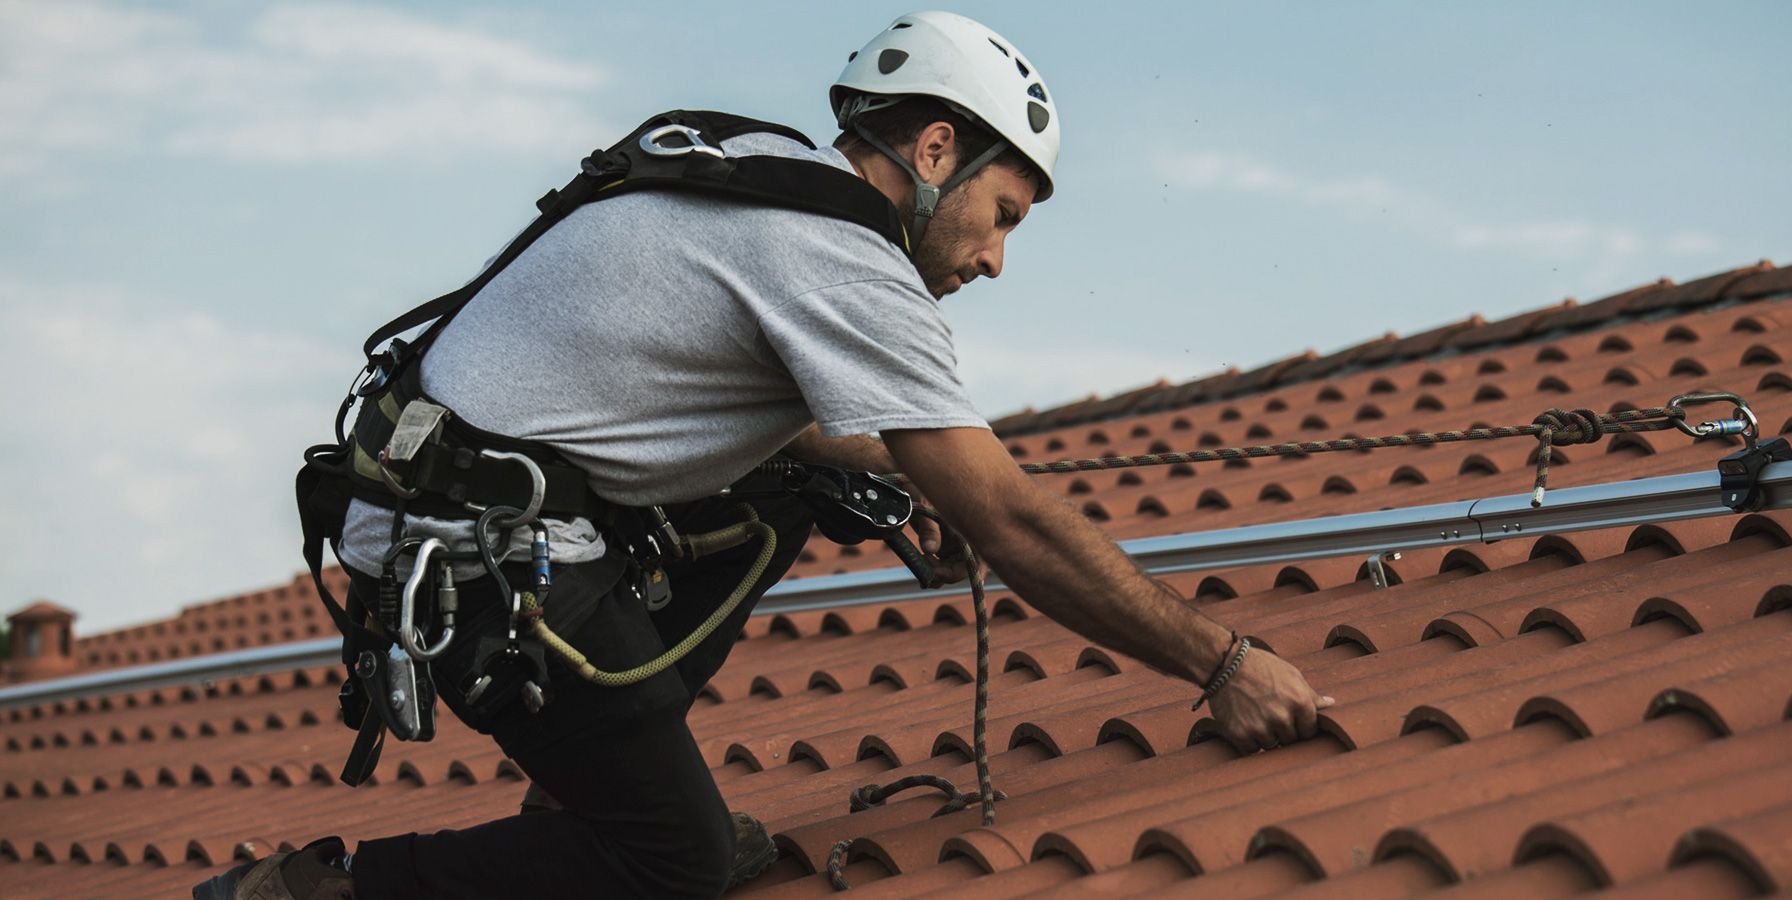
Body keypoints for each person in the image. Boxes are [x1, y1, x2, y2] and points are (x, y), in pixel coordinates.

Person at [198, 11, 1330, 900]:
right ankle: (328, 892)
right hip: (474, 554)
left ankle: (587, 783)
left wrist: (887, 476)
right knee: (675, 866)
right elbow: (1013, 521)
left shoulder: (761, 170)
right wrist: (1222, 665)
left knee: (820, 482)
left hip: (449, 502)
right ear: (935, 148)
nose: (993, 259)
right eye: (1001, 214)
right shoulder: (840, 255)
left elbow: (749, 412)